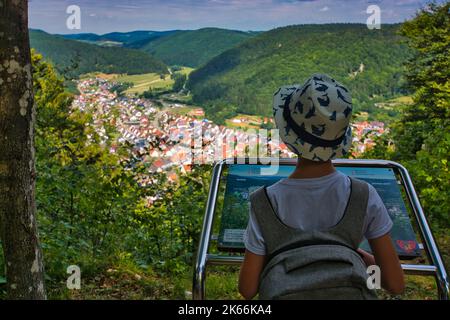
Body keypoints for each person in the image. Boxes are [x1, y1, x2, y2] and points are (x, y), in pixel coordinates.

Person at [238, 74, 405, 300]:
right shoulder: (363, 195)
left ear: (289, 138)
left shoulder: (266, 201)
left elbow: (247, 289)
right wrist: (362, 260)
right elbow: (394, 284)